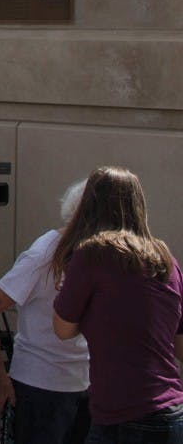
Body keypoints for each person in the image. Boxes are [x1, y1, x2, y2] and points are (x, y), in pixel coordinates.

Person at [52, 167, 183, 443]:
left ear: (88, 206)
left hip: (122, 417)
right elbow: (179, 345)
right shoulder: (167, 261)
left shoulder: (92, 254)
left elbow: (62, 329)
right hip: (171, 412)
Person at [0, 179, 90, 444]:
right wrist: (0, 375)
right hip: (40, 388)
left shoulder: (96, 256)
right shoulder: (43, 254)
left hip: (85, 386)